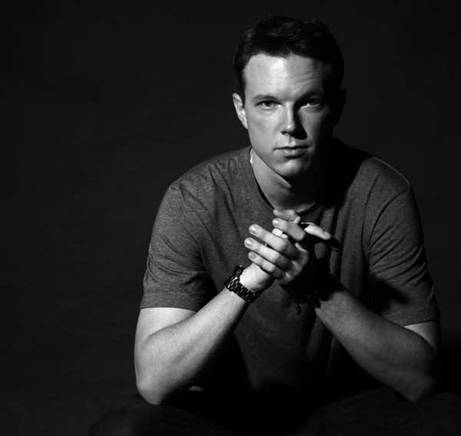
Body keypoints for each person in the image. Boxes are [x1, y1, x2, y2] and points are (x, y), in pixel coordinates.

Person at [92, 15, 461, 436]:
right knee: (124, 430)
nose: (290, 126)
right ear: (241, 110)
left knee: (447, 419)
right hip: (226, 415)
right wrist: (251, 279)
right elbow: (155, 382)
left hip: (342, 412)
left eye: (309, 102)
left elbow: (420, 378)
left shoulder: (381, 193)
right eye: (268, 103)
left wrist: (317, 287)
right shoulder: (193, 198)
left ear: (336, 106)